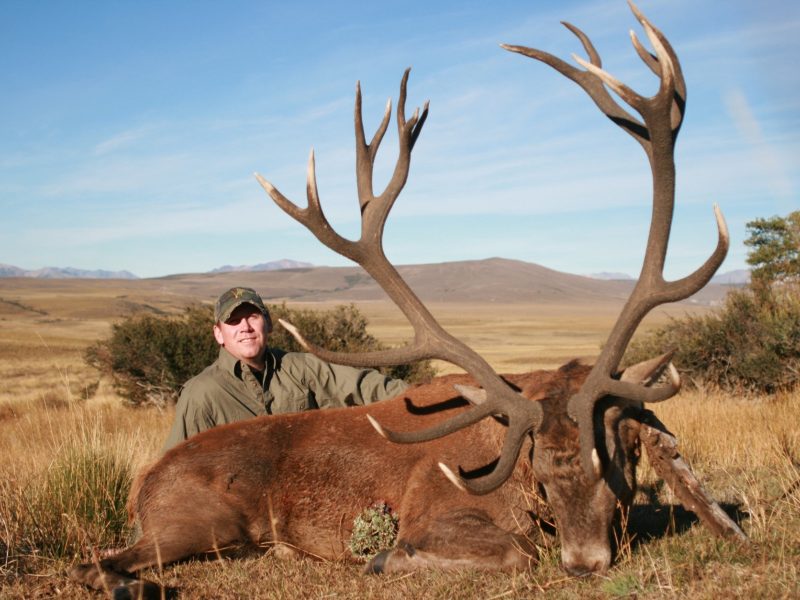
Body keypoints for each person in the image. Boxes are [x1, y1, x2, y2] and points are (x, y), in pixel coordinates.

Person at [162, 287, 408, 451]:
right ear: (218, 333)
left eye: (253, 317)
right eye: (234, 321)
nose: (245, 327)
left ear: (268, 324)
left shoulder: (302, 368)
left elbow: (369, 387)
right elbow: (172, 470)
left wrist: (425, 398)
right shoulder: (201, 394)